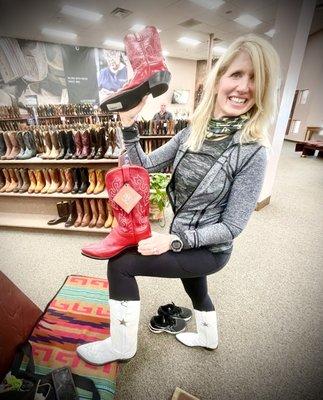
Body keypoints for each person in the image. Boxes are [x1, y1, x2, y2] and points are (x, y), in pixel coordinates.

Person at [76, 34, 280, 365]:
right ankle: (209, 337)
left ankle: (121, 346)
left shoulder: (253, 151)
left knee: (122, 265)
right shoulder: (191, 133)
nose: (244, 87)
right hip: (184, 235)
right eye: (237, 74)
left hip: (210, 250)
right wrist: (128, 123)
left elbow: (232, 227)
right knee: (194, 286)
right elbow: (139, 168)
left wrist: (173, 241)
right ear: (219, 81)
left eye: (255, 78)